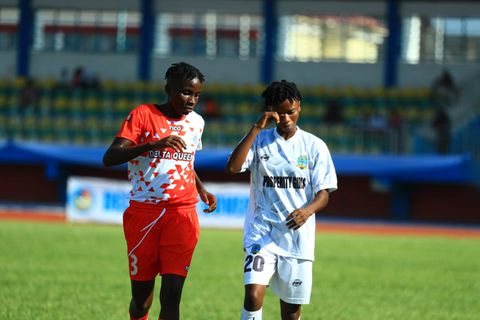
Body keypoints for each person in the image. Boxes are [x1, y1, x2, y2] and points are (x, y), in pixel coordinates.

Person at [103, 62, 217, 320]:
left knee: (172, 296)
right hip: (144, 215)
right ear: (168, 89)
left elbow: (186, 162)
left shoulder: (197, 122)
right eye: (186, 92)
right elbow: (110, 157)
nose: (192, 100)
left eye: (197, 95)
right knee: (141, 302)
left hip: (182, 214)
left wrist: (201, 189)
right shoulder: (143, 115)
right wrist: (153, 144)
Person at [225, 80, 338, 320]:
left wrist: (307, 211)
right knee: (253, 296)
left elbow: (324, 194)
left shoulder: (315, 146)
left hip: (296, 238)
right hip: (261, 232)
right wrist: (256, 127)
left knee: (291, 312)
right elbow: (234, 167)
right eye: (280, 112)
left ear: (299, 108)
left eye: (291, 112)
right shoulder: (259, 140)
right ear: (270, 110)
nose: (286, 118)